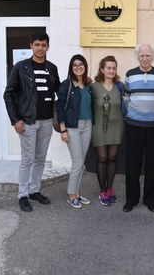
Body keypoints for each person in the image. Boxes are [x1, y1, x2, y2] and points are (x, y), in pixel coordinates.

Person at [4, 32, 60, 212]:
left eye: (43, 45)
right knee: (27, 159)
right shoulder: (20, 68)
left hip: (47, 122)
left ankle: (35, 190)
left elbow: (60, 90)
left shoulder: (52, 68)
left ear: (48, 47)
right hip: (27, 121)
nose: (40, 48)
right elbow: (9, 94)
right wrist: (15, 120)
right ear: (31, 46)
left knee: (40, 158)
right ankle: (22, 195)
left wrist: (82, 82)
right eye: (37, 45)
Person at [123, 44, 154, 213]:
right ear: (138, 57)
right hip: (134, 125)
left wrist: (153, 112)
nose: (145, 58)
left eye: (148, 55)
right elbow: (126, 99)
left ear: (153, 56)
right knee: (132, 164)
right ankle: (131, 200)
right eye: (142, 55)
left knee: (152, 164)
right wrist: (137, 112)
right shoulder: (130, 75)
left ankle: (150, 200)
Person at [56, 54, 94, 209]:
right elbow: (59, 107)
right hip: (72, 127)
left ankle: (77, 193)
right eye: (75, 65)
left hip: (87, 125)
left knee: (81, 161)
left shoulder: (88, 85)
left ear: (85, 66)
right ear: (71, 68)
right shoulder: (66, 85)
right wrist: (63, 129)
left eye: (81, 64)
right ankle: (71, 194)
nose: (78, 67)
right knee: (77, 162)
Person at [91, 56, 125, 206]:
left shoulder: (120, 86)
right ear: (102, 69)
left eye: (114, 68)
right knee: (102, 158)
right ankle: (103, 190)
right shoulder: (94, 87)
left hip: (117, 126)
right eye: (108, 68)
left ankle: (110, 188)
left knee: (112, 157)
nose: (111, 70)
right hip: (99, 126)